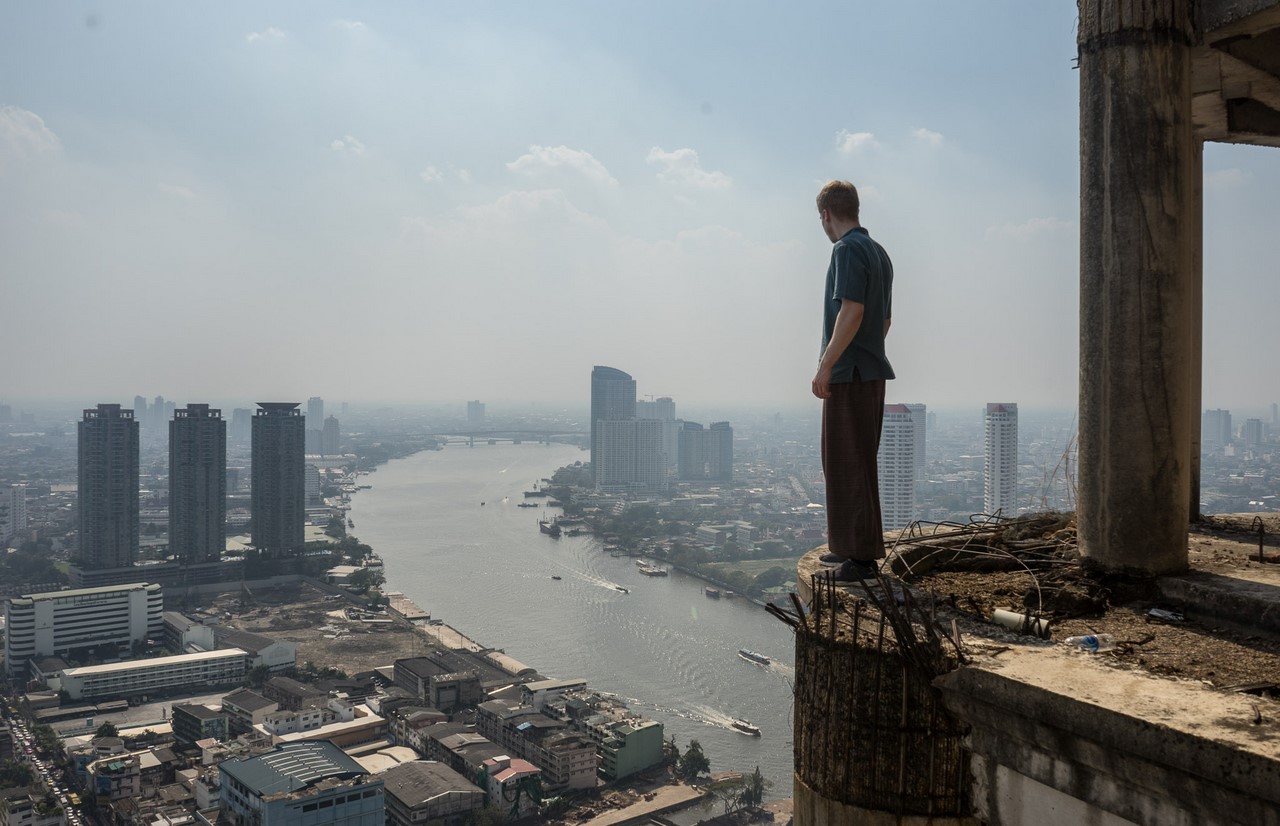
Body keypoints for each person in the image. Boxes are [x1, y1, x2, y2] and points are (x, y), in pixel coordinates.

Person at [811, 180, 894, 582]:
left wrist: (828, 364)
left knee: (847, 462)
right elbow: (884, 320)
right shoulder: (878, 253)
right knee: (851, 460)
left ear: (826, 214)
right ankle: (849, 548)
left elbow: (853, 310)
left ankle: (860, 560)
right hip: (870, 370)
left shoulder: (845, 249)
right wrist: (866, 351)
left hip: (851, 374)